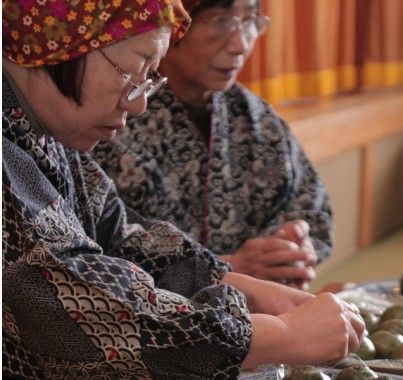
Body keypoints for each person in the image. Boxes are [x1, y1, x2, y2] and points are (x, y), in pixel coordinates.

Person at [2, 1, 363, 379]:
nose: (140, 102)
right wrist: (281, 335)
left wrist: (232, 283)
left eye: (149, 77)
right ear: (59, 41)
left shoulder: (45, 131)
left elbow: (119, 236)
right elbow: (67, 297)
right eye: (133, 70)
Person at [93, 0, 334, 289]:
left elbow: (310, 208)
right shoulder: (110, 119)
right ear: (171, 23)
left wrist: (289, 249)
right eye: (221, 21)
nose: (240, 45)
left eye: (250, 21)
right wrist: (225, 269)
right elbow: (93, 256)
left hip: (264, 319)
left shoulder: (256, 119)